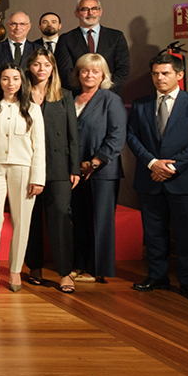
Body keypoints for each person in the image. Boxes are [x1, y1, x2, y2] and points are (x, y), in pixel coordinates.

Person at [127, 54, 188, 303]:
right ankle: (157, 277)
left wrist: (172, 167)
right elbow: (132, 137)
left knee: (187, 235)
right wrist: (153, 163)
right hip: (150, 177)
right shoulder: (141, 104)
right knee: (154, 232)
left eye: (165, 73)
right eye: (155, 73)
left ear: (179, 75)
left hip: (184, 179)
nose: (159, 78)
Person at [0, 64, 45, 293]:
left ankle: (15, 270)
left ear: (21, 82)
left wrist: (38, 177)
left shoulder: (33, 109)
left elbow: (39, 146)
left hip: (24, 169)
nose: (11, 83)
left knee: (22, 220)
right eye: (5, 78)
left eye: (15, 78)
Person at [24, 47, 80, 293]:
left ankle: (65, 272)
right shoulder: (21, 94)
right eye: (37, 64)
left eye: (46, 65)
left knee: (60, 215)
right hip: (28, 164)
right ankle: (34, 266)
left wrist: (74, 167)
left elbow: (72, 134)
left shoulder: (65, 95)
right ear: (29, 67)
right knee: (32, 217)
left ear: (53, 68)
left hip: (59, 165)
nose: (42, 69)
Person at [69, 53, 126, 284]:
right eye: (85, 70)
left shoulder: (111, 100)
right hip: (75, 170)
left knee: (100, 221)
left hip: (102, 171)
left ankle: (97, 269)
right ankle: (79, 264)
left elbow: (117, 135)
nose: (89, 75)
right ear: (78, 73)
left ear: (103, 75)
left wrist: (95, 162)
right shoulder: (71, 98)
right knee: (79, 219)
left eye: (95, 71)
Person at [55, 0, 130, 98]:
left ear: (100, 12)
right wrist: (87, 91)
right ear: (76, 14)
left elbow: (123, 69)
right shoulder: (66, 39)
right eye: (85, 9)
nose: (90, 13)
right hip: (77, 97)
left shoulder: (116, 37)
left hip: (110, 96)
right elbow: (65, 72)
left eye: (94, 9)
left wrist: (102, 90)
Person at [0, 11, 42, 99]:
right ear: (7, 26)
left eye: (22, 24)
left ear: (29, 26)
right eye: (14, 24)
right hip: (2, 99)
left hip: (31, 98)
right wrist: (6, 93)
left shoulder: (38, 50)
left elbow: (41, 77)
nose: (18, 27)